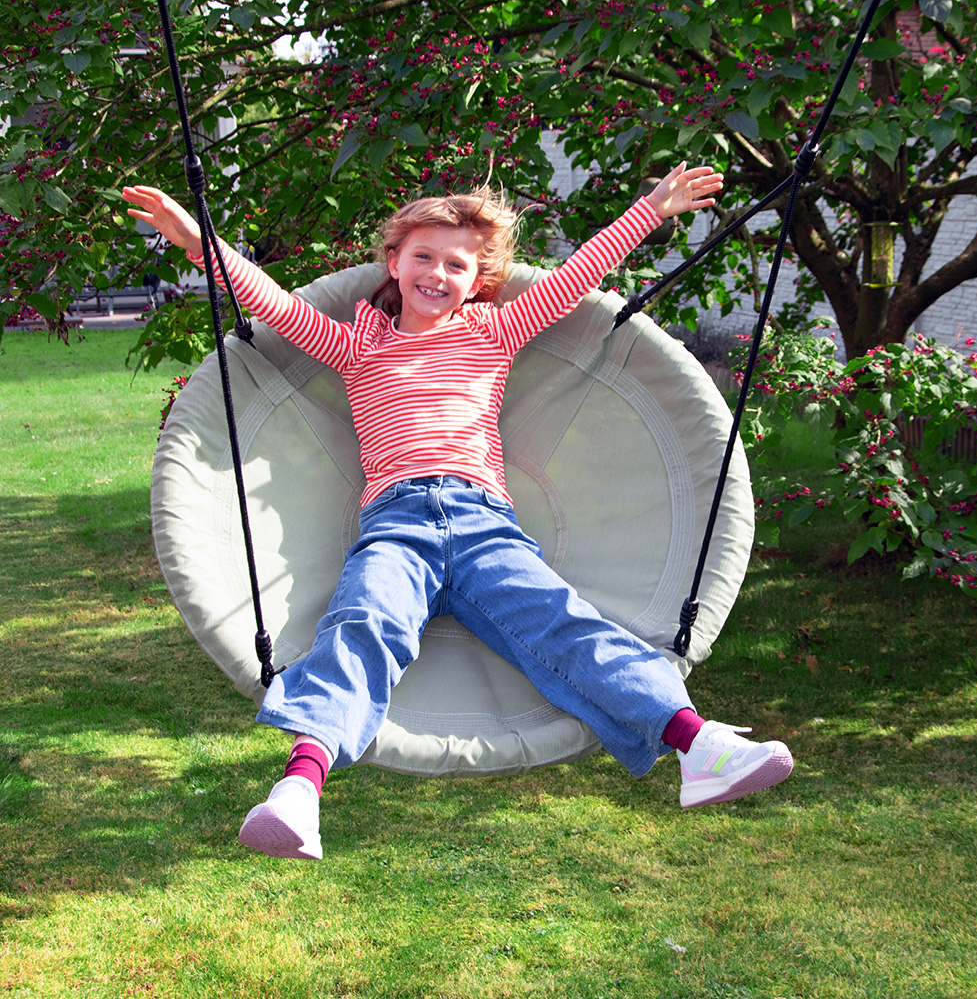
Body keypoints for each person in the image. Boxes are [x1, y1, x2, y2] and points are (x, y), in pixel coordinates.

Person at [123, 164, 793, 860]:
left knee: (567, 627)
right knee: (362, 625)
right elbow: (270, 303)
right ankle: (300, 791)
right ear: (394, 261)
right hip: (397, 523)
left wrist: (652, 208)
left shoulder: (495, 334)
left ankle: (696, 745)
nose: (436, 274)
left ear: (478, 279)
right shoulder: (357, 348)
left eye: (456, 264)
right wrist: (197, 240)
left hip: (484, 525)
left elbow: (578, 274)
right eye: (423, 257)